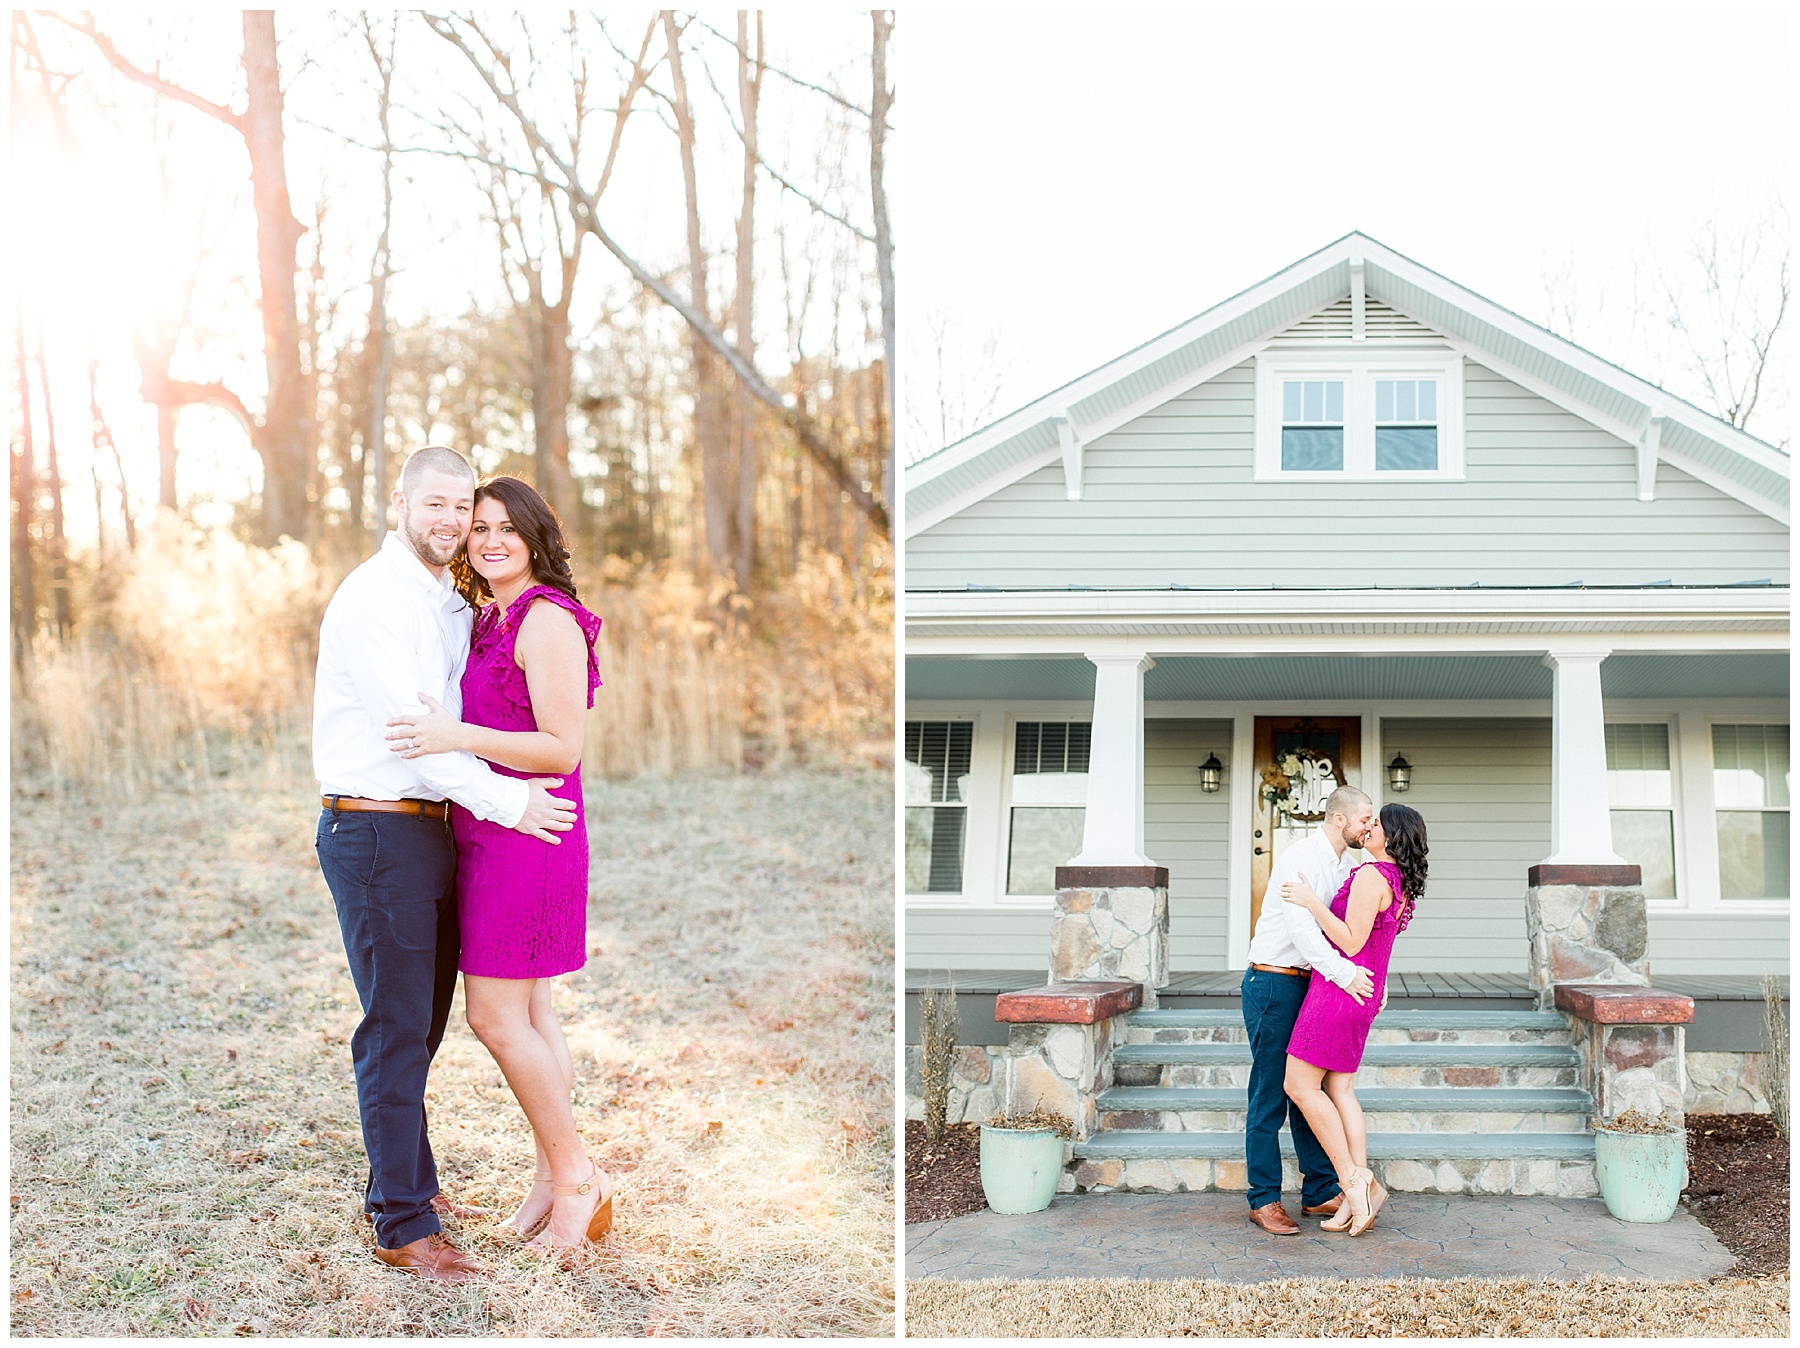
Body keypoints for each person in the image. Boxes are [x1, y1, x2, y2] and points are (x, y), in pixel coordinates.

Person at [313, 446, 577, 1284]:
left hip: (435, 833)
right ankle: (402, 1221)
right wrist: (514, 803)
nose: (450, 522)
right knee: (395, 1030)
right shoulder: (373, 599)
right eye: (435, 504)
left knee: (418, 1029)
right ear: (399, 502)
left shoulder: (451, 606)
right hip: (377, 829)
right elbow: (414, 739)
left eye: (460, 507)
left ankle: (407, 1184)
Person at [385, 474, 612, 1254]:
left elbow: (563, 746)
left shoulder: (545, 620)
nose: (488, 540)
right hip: (489, 833)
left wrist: (456, 736)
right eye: (477, 527)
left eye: (505, 528)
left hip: (529, 834)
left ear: (535, 535)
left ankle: (579, 1176)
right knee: (534, 1014)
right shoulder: (490, 617)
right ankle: (554, 1178)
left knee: (495, 1016)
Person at [1281, 802, 1430, 1237]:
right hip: (1362, 992)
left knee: (1299, 1085)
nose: (1369, 829)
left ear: (1392, 836)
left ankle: (1353, 1179)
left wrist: (1310, 901)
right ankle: (1360, 1191)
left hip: (1340, 991)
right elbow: (1379, 945)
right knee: (1340, 1088)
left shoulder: (1371, 876)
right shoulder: (1399, 881)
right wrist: (1380, 983)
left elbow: (1349, 940)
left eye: (1376, 824)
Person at [1239, 784, 1380, 1236]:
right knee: (1270, 1093)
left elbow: (1346, 929)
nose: (1369, 827)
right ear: (1340, 819)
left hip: (1312, 987)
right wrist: (1346, 977)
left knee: (1307, 1090)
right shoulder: (1301, 857)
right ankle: (1263, 1199)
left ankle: (1320, 1190)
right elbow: (1304, 934)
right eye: (1364, 820)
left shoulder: (1350, 865)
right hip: (1274, 982)